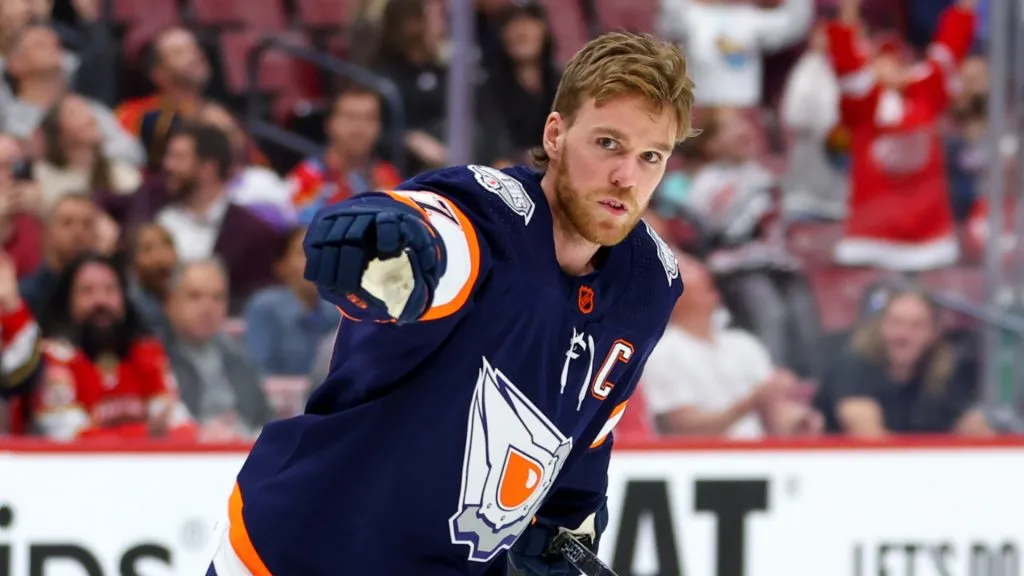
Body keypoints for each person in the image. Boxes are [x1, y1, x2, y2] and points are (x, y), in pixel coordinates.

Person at [207, 32, 696, 576]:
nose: (627, 177)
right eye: (608, 143)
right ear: (555, 134)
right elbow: (441, 235)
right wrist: (389, 242)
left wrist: (565, 519)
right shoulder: (493, 218)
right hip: (304, 552)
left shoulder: (648, 284)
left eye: (650, 157)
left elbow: (590, 424)